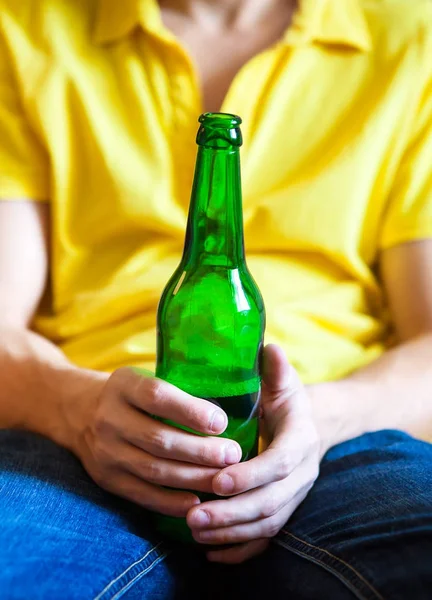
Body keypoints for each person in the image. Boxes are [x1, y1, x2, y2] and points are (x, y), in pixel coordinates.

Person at [0, 0, 431, 597]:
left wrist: (319, 422)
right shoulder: (26, 26)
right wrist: (74, 410)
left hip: (340, 431)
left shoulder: (412, 35)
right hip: (84, 430)